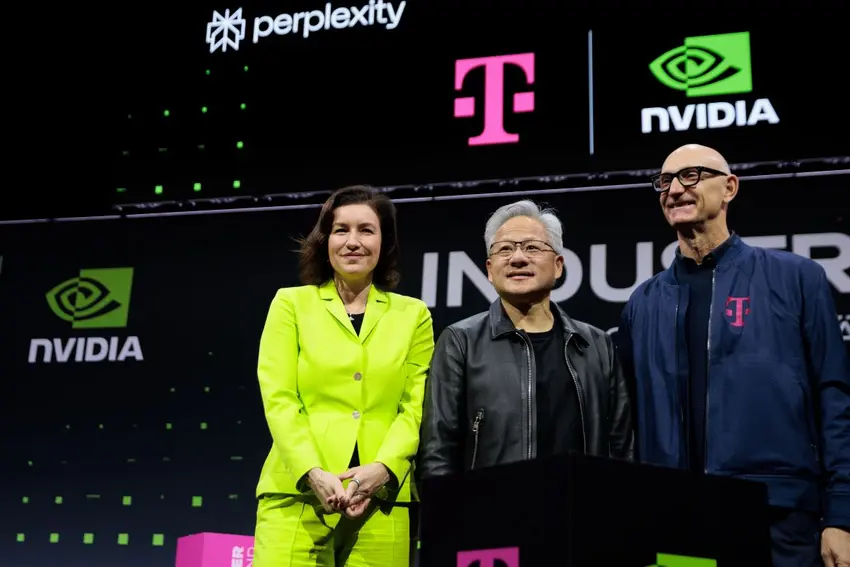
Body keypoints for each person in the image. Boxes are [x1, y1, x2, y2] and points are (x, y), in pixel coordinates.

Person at [617, 143, 850, 567]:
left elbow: (835, 399)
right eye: (665, 181)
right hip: (676, 521)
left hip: (778, 516)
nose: (674, 190)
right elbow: (627, 425)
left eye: (690, 175)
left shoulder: (798, 279)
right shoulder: (642, 304)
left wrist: (841, 514)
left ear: (729, 188)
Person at [252, 185, 435, 567]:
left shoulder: (413, 315)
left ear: (384, 242)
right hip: (297, 494)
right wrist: (314, 473)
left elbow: (415, 406)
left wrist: (383, 470)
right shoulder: (290, 304)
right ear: (325, 240)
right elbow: (279, 399)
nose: (353, 241)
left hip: (383, 500)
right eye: (341, 230)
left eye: (366, 230)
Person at [417, 199, 633, 480]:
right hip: (491, 506)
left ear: (558, 265)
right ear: (490, 269)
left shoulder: (597, 346)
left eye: (532, 247)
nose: (517, 258)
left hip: (582, 506)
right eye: (505, 249)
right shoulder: (461, 342)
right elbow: (437, 451)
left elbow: (621, 448)